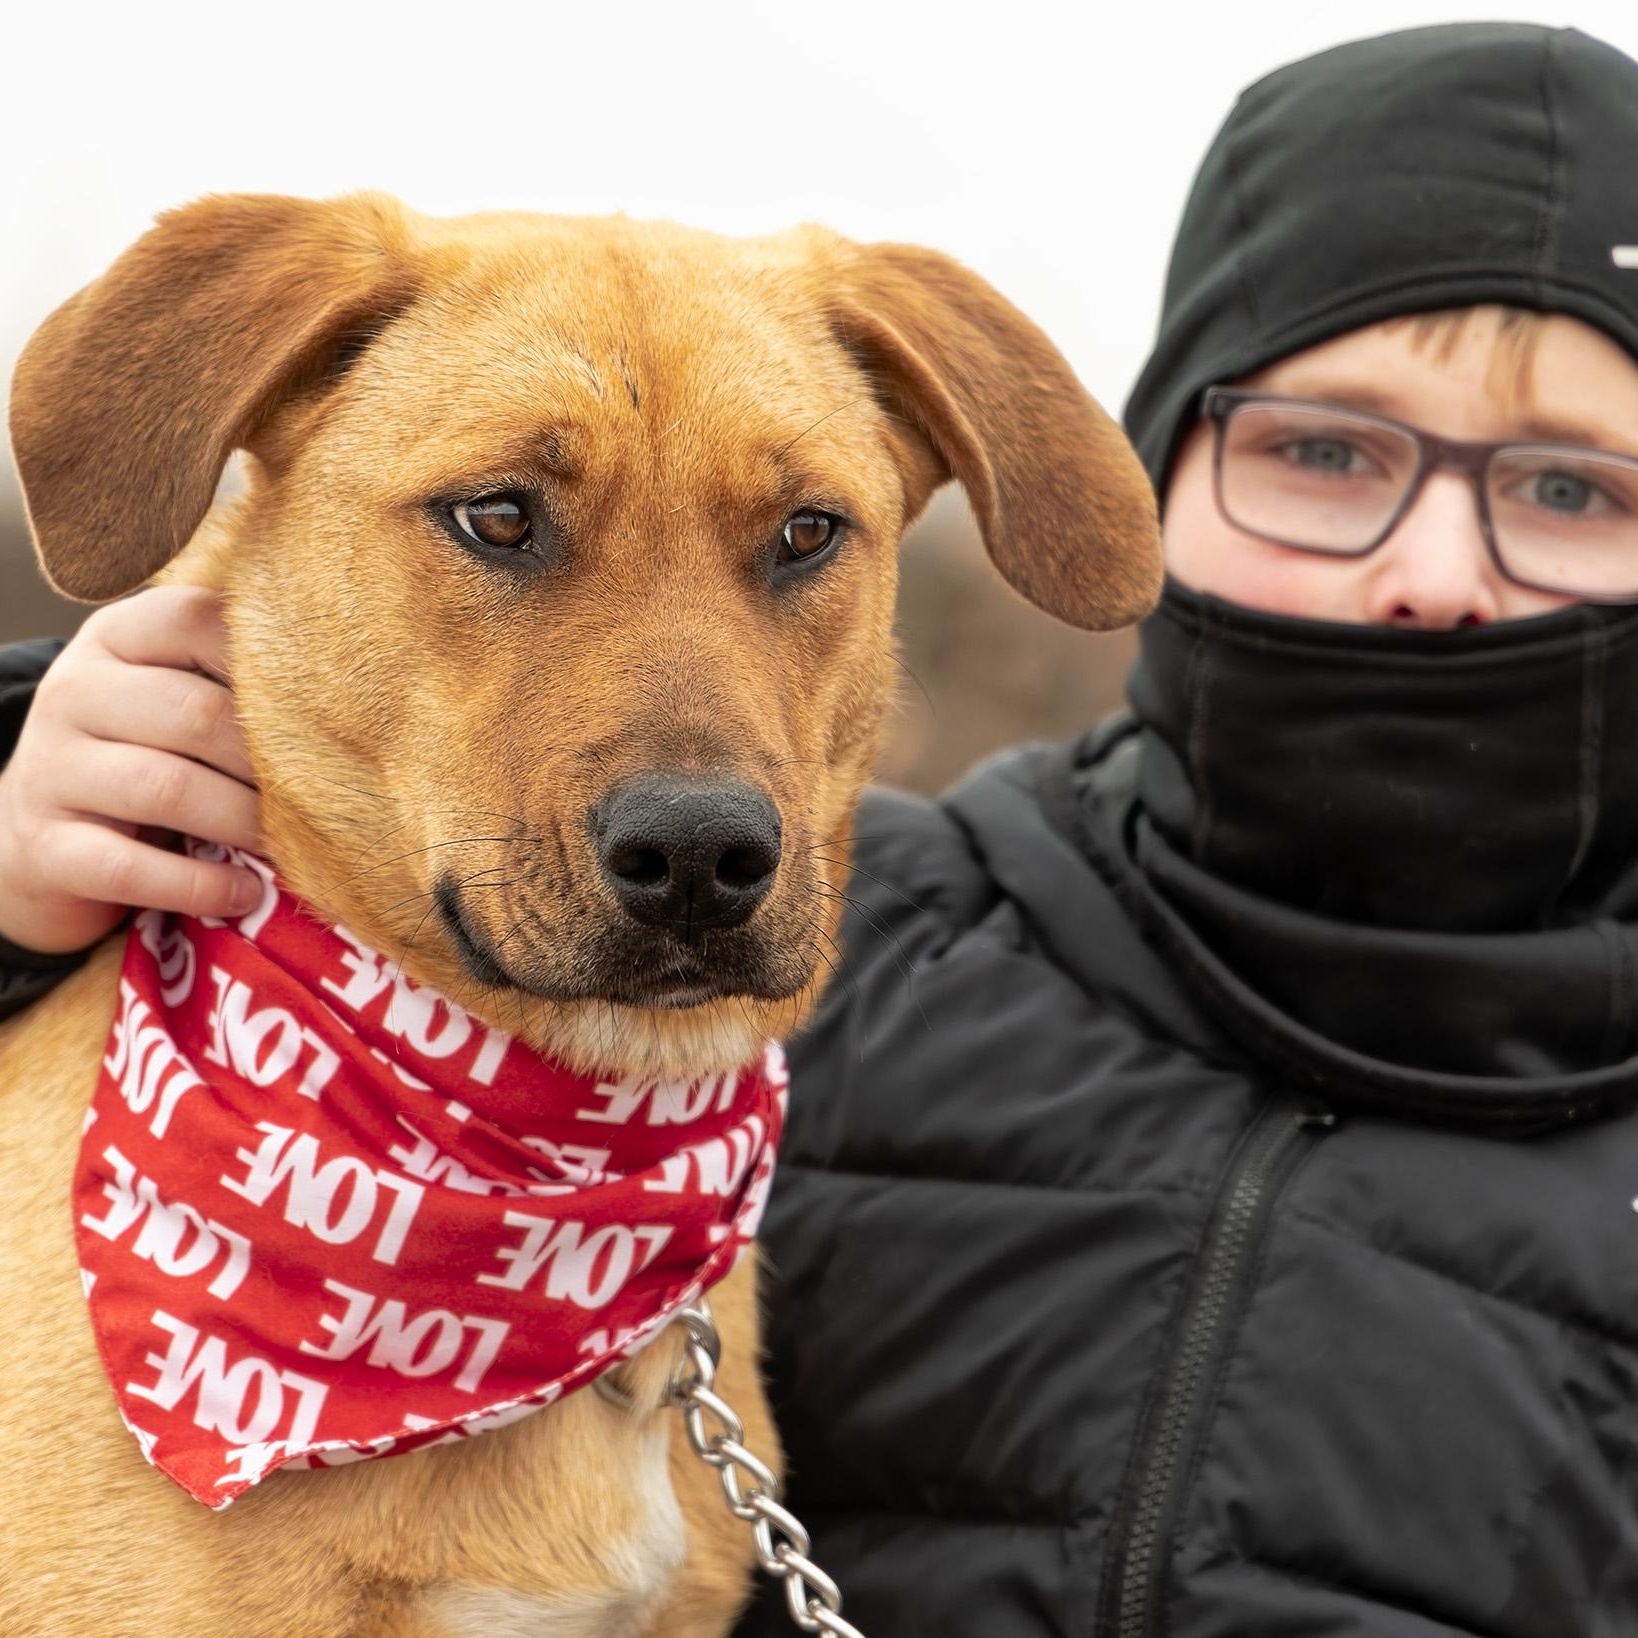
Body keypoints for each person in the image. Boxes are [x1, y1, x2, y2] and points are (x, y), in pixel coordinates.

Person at [3, 20, 1637, 1635]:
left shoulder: (807, 1045)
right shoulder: (943, 931)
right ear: (1179, 465)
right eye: (503, 523)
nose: (1435, 572)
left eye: (797, 540)